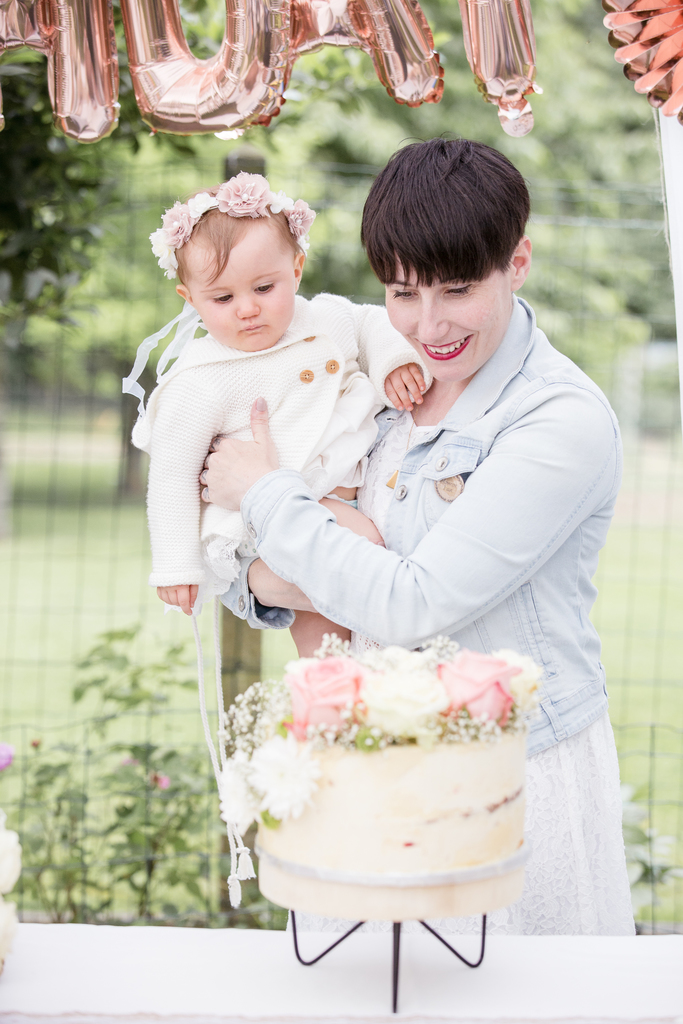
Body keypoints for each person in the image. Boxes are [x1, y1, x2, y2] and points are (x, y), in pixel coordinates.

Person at [202, 139, 635, 936]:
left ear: (519, 261)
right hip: (362, 767)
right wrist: (299, 553)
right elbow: (240, 567)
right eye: (401, 292)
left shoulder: (557, 420)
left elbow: (412, 605)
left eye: (457, 289)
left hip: (507, 775)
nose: (427, 325)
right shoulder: (372, 378)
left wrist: (269, 495)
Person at [123, 172, 426, 656]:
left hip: (337, 498)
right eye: (222, 299)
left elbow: (373, 323)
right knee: (366, 547)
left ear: (297, 269)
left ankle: (328, 705)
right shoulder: (202, 378)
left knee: (325, 630)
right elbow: (171, 475)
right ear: (190, 299)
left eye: (264, 288)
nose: (246, 309)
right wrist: (177, 565)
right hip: (267, 520)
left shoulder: (325, 319)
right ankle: (342, 691)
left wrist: (392, 360)